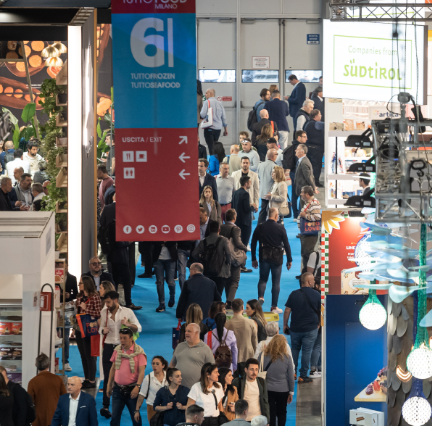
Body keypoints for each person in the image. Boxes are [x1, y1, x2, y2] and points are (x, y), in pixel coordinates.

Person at [99, 290, 142, 418]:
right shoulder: (104, 312)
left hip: (122, 348)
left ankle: (126, 403)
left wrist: (128, 324)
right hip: (108, 346)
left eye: (108, 302)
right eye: (105, 302)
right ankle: (105, 406)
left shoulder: (127, 312)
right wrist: (103, 330)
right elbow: (100, 328)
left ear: (116, 300)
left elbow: (139, 328)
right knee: (108, 376)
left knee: (124, 376)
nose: (107, 305)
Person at [100, 193, 141, 310]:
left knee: (115, 279)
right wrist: (128, 242)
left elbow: (101, 225)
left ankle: (114, 302)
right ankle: (128, 302)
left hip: (110, 252)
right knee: (126, 278)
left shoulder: (107, 209)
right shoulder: (123, 210)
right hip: (121, 252)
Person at [251, 207, 292, 313]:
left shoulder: (260, 227)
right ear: (276, 216)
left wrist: (253, 258)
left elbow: (253, 242)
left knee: (263, 280)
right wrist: (289, 260)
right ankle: (274, 307)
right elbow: (286, 244)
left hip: (264, 257)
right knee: (276, 282)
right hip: (277, 258)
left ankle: (261, 296)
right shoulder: (280, 227)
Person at [284, 272, 321, 383]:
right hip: (310, 329)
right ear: (309, 282)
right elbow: (321, 311)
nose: (314, 282)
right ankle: (303, 375)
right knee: (306, 351)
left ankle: (292, 373)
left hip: (295, 328)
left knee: (294, 349)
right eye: (313, 280)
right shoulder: (317, 295)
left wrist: (285, 324)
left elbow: (287, 310)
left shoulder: (293, 294)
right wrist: (319, 324)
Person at [106, 327, 147, 426]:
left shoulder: (139, 352)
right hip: (117, 390)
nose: (122, 340)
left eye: (124, 338)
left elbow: (142, 372)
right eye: (120, 338)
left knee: (136, 418)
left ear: (131, 338)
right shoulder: (117, 350)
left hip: (132, 390)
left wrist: (137, 387)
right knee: (114, 418)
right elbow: (113, 369)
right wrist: (109, 385)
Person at [257, 335, 294, 426]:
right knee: (282, 412)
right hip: (283, 390)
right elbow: (291, 377)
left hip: (268, 389)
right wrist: (291, 392)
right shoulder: (287, 357)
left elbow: (257, 369)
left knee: (270, 412)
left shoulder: (263, 355)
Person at [75, 276, 102, 389]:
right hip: (79, 328)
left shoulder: (95, 297)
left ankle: (92, 380)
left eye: (80, 283)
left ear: (86, 284)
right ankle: (86, 378)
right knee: (83, 355)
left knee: (90, 355)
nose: (79, 285)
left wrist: (86, 309)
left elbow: (98, 313)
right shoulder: (80, 297)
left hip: (90, 330)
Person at [170, 323, 215, 389]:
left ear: (196, 333)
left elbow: (212, 369)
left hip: (197, 389)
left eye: (189, 331)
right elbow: (172, 364)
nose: (186, 333)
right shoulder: (180, 346)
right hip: (178, 388)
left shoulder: (206, 349)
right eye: (185, 331)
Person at [27, 353, 67, 426]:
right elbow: (65, 398)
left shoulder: (32, 382)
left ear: (36, 365)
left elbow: (29, 402)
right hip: (55, 417)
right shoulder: (58, 379)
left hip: (39, 419)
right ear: (48, 365)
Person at [192, 221, 231, 294]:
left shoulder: (203, 241)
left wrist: (201, 260)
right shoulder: (224, 240)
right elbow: (228, 255)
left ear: (209, 230)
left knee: (208, 293)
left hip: (207, 271)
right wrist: (227, 263)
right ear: (219, 230)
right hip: (221, 272)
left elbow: (194, 254)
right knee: (218, 294)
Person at [219, 209, 248, 306]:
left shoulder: (221, 227)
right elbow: (238, 243)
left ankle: (225, 302)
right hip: (233, 258)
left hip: (221, 258)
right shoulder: (236, 229)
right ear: (235, 218)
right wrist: (245, 248)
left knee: (226, 280)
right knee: (234, 281)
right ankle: (229, 302)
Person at [282, 130, 307, 219]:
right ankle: (299, 214)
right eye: (304, 137)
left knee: (294, 194)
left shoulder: (292, 147)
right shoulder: (299, 148)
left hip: (292, 173)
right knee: (302, 194)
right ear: (299, 137)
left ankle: (295, 215)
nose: (306, 138)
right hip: (299, 175)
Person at [135, 356, 169, 424]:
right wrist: (137, 411)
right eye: (153, 363)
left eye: (157, 364)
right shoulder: (148, 378)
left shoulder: (169, 376)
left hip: (167, 407)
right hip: (152, 408)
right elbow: (141, 395)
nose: (154, 366)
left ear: (163, 365)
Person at [232, 176, 257, 252]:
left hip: (236, 221)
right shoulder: (245, 194)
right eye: (250, 182)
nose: (251, 183)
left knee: (236, 243)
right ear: (246, 183)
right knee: (244, 244)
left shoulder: (235, 193)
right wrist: (253, 207)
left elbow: (233, 206)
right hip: (245, 223)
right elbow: (247, 210)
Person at [298, 186, 322, 266]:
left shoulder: (314, 203)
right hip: (306, 233)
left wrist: (305, 215)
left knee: (308, 253)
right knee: (304, 253)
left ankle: (309, 271)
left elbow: (317, 217)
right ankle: (305, 271)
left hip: (310, 233)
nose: (301, 194)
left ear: (307, 194)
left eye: (302, 192)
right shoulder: (309, 202)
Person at [200, 88, 228, 155]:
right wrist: (226, 129)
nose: (205, 94)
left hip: (209, 127)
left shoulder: (207, 102)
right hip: (218, 129)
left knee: (211, 147)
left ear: (210, 93)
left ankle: (212, 160)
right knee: (215, 145)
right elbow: (224, 117)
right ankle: (217, 159)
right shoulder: (220, 103)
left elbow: (202, 114)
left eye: (206, 93)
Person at [152, 241, 178, 312]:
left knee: (170, 281)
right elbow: (152, 240)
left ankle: (172, 296)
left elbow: (175, 240)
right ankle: (161, 303)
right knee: (159, 282)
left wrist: (165, 243)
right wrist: (161, 242)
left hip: (171, 258)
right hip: (158, 258)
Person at [304, 109, 324, 187]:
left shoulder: (307, 123)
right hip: (316, 148)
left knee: (310, 165)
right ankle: (315, 182)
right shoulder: (317, 124)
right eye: (320, 114)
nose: (321, 116)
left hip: (308, 147)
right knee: (316, 165)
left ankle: (309, 181)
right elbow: (328, 125)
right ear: (315, 116)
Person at [294, 145, 318, 210]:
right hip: (302, 190)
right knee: (303, 207)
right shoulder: (302, 160)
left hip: (304, 190)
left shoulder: (304, 162)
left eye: (297, 149)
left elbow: (309, 177)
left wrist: (313, 187)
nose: (295, 150)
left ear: (302, 152)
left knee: (304, 208)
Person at [257, 149, 277, 225]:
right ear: (273, 156)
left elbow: (258, 177)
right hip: (271, 192)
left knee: (263, 210)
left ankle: (260, 225)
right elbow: (275, 180)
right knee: (271, 210)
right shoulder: (275, 166)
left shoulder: (260, 165)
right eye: (276, 154)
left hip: (262, 191)